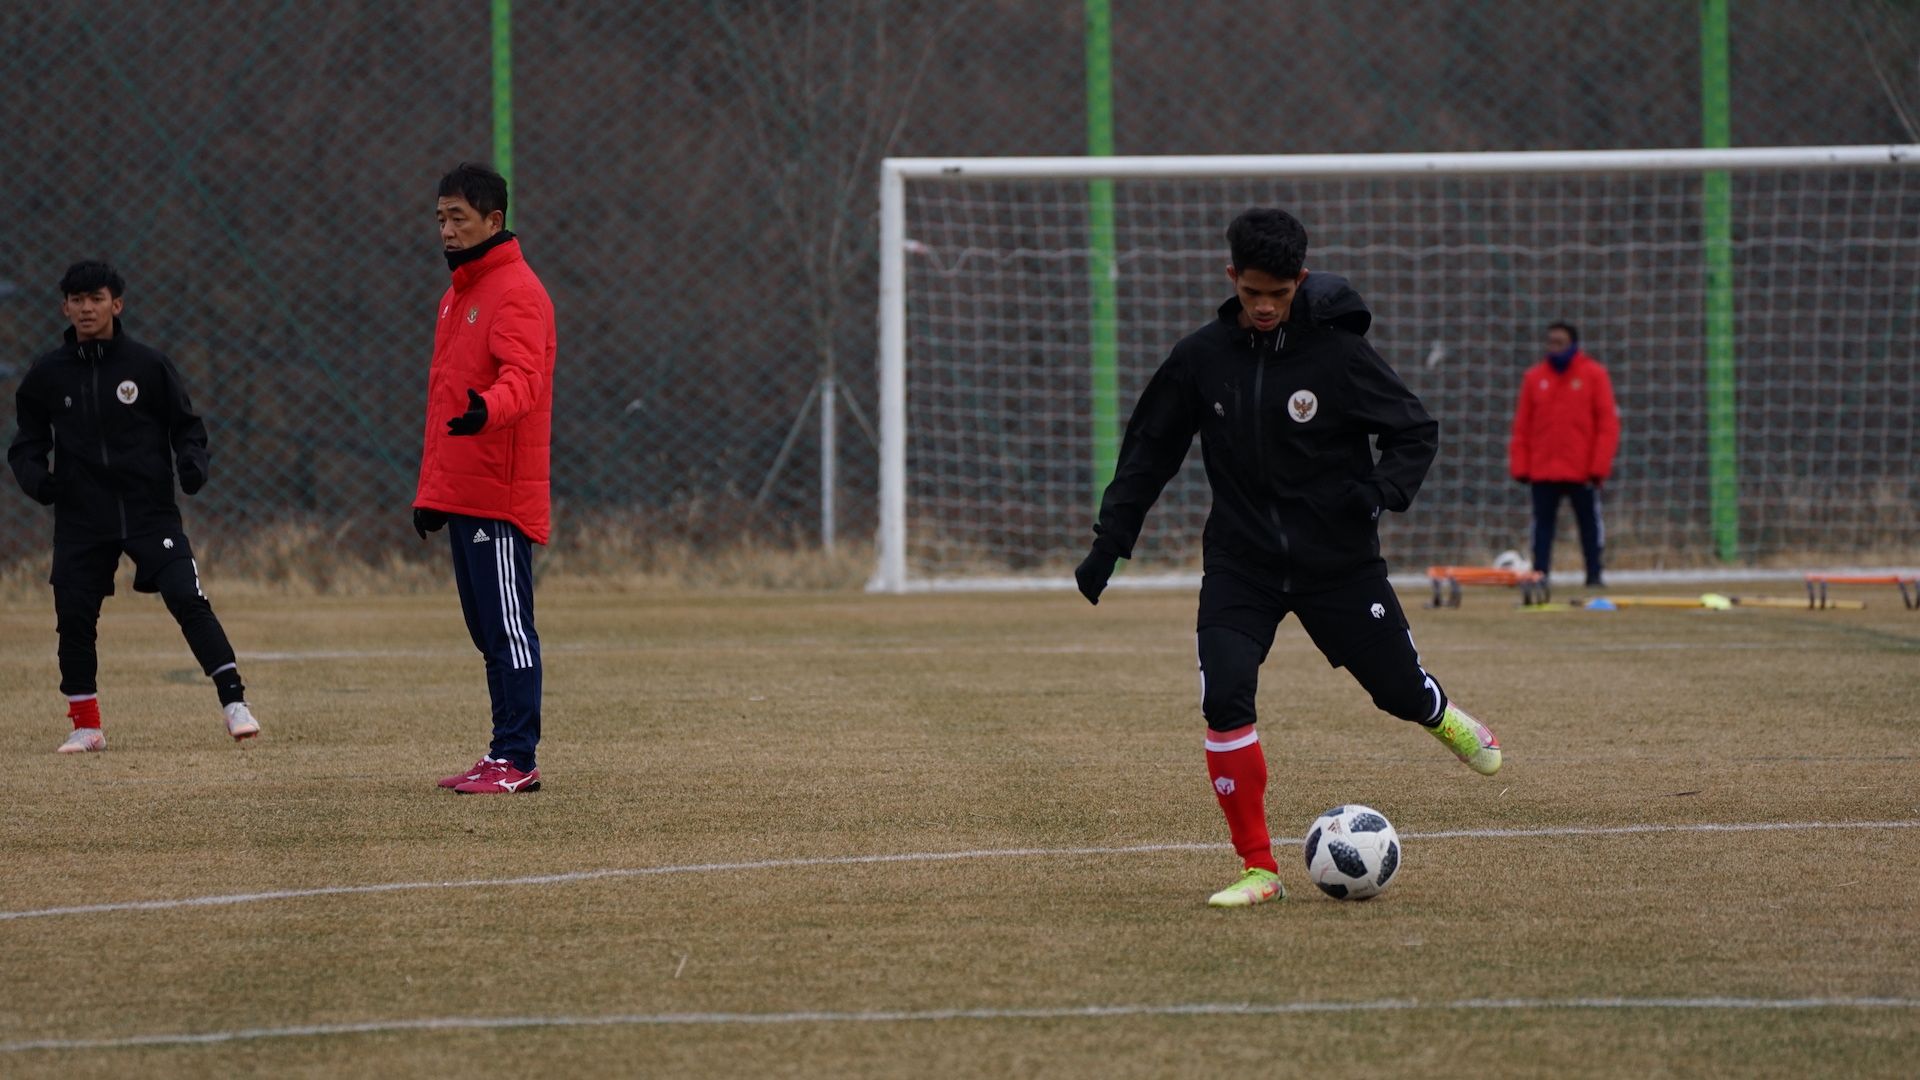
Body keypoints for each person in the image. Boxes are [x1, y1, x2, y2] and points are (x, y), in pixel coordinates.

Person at [1073, 208, 1500, 910]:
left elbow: (1413, 431)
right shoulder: (1200, 359)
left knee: (1395, 691)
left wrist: (1375, 494)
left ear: (1300, 281)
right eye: (1252, 294)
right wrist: (1109, 542)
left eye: (1279, 293)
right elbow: (1151, 450)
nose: (1265, 307)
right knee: (1224, 697)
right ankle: (1259, 869)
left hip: (1340, 565)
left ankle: (1438, 711)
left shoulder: (1337, 357)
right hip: (1242, 565)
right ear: (1231, 278)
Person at [8, 260, 261, 752]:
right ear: (65, 307)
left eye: (96, 299)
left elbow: (187, 427)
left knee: (187, 598)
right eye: (77, 300)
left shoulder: (147, 365)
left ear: (116, 305)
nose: (86, 308)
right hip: (82, 516)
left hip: (149, 511)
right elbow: (26, 443)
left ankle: (235, 703)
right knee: (74, 613)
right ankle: (86, 725)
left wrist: (192, 464)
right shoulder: (47, 373)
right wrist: (39, 480)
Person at [413, 162, 557, 795]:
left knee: (509, 628)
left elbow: (522, 381)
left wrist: (486, 410)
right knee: (485, 629)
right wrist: (434, 495)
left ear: (493, 221)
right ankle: (501, 751)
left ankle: (518, 758)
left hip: (499, 494)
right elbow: (443, 407)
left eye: (458, 219)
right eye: (441, 218)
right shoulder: (458, 296)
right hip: (466, 490)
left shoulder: (516, 291)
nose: (445, 230)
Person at [1508, 321, 1619, 588]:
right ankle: (1540, 575)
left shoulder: (1594, 375)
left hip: (1582, 470)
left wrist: (1598, 467)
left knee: (1589, 526)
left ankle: (1594, 574)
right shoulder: (1534, 378)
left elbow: (1607, 425)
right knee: (1542, 528)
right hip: (1543, 469)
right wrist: (1521, 466)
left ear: (1573, 344)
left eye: (1559, 342)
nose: (1553, 347)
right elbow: (1522, 425)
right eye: (1550, 342)